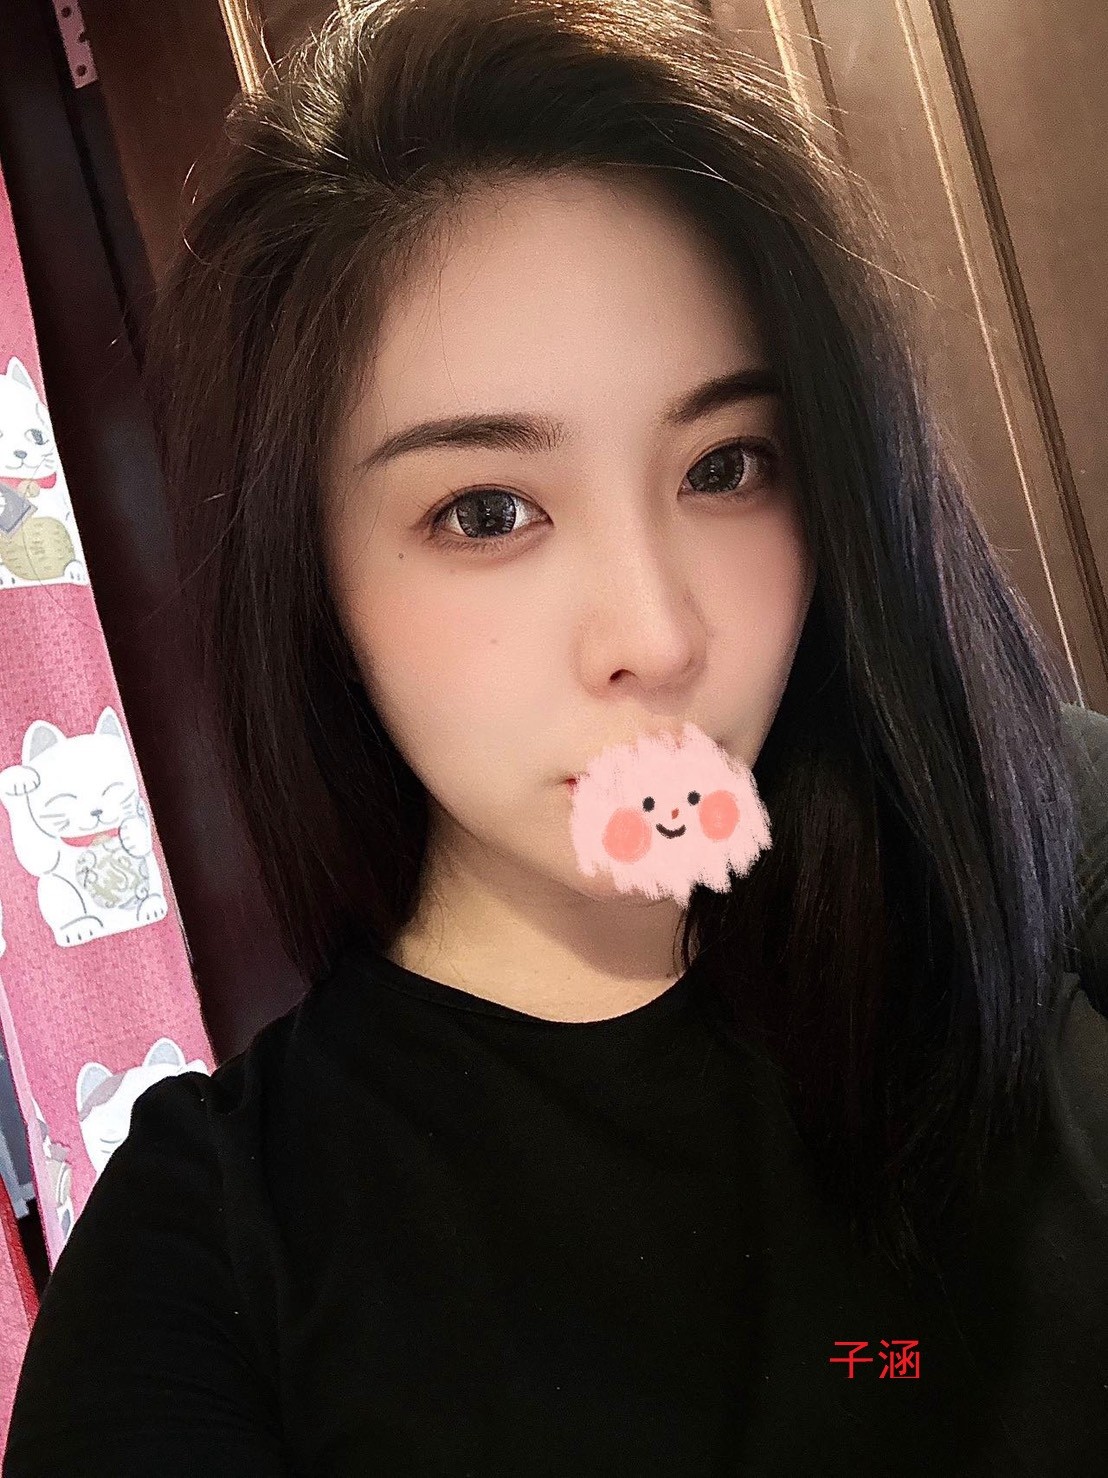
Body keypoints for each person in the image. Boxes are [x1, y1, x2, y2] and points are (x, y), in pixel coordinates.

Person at [6, 0, 1108, 1472]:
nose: (658, 634)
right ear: (311, 575)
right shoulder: (210, 1272)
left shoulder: (1043, 849)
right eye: (486, 511)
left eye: (728, 465)